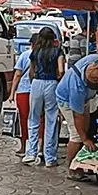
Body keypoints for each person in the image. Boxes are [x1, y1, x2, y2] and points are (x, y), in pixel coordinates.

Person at [56, 54, 98, 181]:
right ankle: (72, 170)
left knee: (86, 127)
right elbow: (77, 116)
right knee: (76, 135)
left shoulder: (96, 61)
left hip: (86, 99)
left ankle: (82, 163)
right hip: (66, 101)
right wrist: (84, 139)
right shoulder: (76, 88)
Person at [26, 28, 65, 167]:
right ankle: (50, 157)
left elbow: (31, 71)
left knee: (34, 119)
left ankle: (31, 152)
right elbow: (61, 70)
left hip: (36, 83)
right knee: (51, 120)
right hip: (52, 83)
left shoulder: (35, 52)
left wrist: (34, 82)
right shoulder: (58, 51)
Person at [9, 34, 39, 157]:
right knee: (39, 119)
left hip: (23, 91)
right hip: (37, 91)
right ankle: (39, 147)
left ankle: (23, 146)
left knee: (24, 120)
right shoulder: (44, 56)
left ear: (31, 44)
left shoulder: (24, 55)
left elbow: (17, 75)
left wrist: (12, 93)